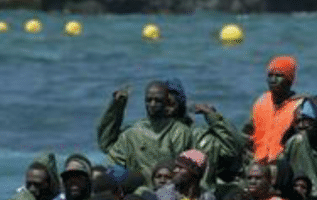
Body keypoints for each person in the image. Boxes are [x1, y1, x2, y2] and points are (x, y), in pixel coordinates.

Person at [97, 78, 244, 188]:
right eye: (150, 100)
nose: (159, 106)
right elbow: (108, 144)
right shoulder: (136, 133)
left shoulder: (191, 134)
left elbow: (231, 148)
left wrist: (212, 116)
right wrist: (116, 107)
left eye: (170, 103)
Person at [243, 56, 304, 165]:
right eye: (270, 76)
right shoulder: (261, 101)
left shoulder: (299, 105)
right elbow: (248, 131)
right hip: (257, 162)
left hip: (282, 164)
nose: (273, 80)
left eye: (279, 76)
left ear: (289, 80)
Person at [156, 149, 223, 200]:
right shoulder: (164, 195)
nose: (175, 170)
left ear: (194, 173)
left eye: (181, 168)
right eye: (176, 167)